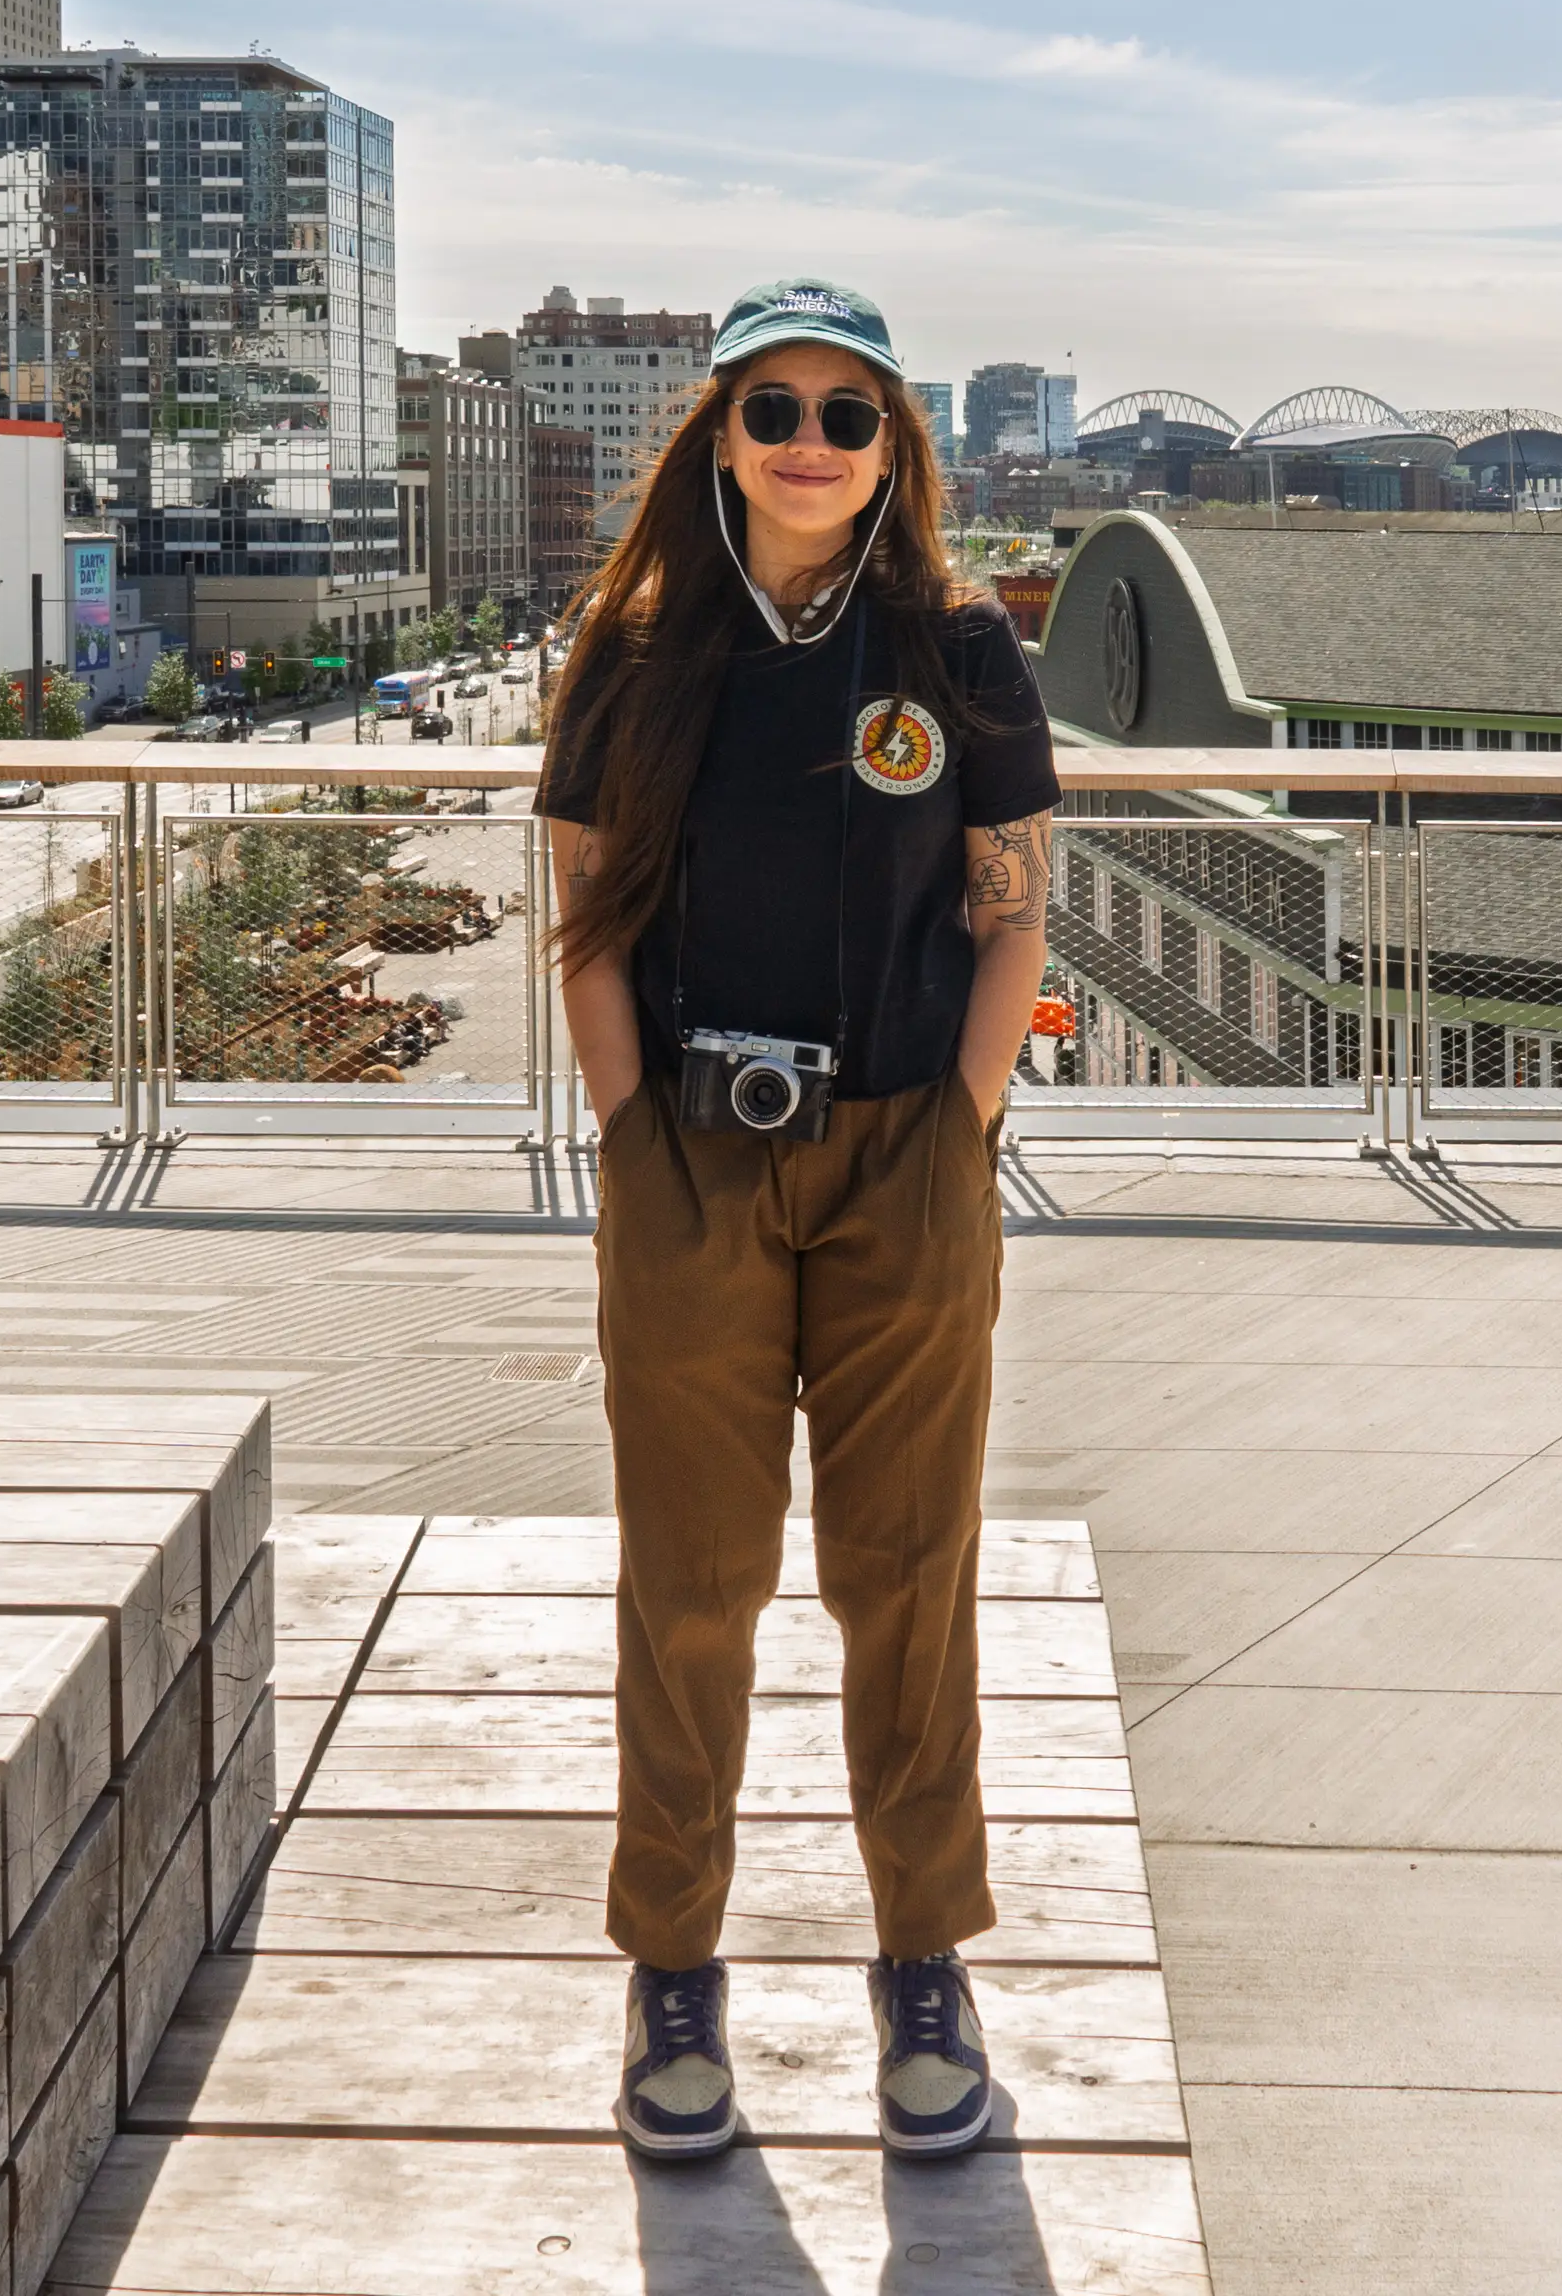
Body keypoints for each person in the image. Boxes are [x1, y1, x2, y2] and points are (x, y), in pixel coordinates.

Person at [536, 277, 1059, 2162]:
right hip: (689, 1165)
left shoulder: (959, 644)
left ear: (896, 445)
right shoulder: (641, 651)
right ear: (723, 433)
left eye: (853, 415)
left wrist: (966, 1126)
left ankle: (924, 1954)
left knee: (905, 1578)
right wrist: (628, 1143)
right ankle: (673, 1966)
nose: (814, 444)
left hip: (909, 1154)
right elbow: (587, 924)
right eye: (779, 409)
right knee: (692, 1587)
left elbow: (1013, 911)